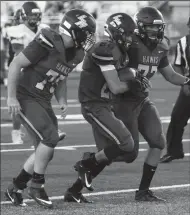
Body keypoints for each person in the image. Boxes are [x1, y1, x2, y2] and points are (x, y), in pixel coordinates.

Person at [5, 9, 96, 208]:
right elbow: (15, 64)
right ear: (74, 31)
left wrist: (62, 99)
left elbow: (61, 77)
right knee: (50, 138)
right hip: (26, 96)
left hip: (43, 99)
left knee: (45, 149)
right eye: (87, 32)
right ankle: (37, 185)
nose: (90, 37)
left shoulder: (78, 53)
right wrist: (11, 97)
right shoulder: (47, 40)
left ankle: (15, 187)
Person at [112, 7, 190, 202]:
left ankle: (143, 191)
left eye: (158, 28)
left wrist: (188, 82)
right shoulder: (130, 44)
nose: (157, 32)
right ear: (139, 28)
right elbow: (115, 70)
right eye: (151, 28)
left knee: (158, 142)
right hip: (124, 100)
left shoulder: (161, 47)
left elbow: (171, 75)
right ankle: (89, 163)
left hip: (143, 100)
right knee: (128, 152)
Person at [64, 13, 142, 203]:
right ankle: (86, 163)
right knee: (126, 143)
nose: (130, 39)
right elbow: (116, 87)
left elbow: (120, 79)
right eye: (128, 34)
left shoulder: (120, 51)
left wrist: (133, 76)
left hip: (105, 105)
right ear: (116, 33)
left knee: (107, 153)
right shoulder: (105, 48)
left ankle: (73, 191)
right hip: (94, 105)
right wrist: (134, 83)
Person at [4, 2, 67, 145]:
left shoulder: (44, 28)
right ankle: (16, 131)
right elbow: (18, 52)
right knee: (17, 103)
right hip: (20, 69)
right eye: (32, 14)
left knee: (43, 97)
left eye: (37, 14)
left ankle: (49, 128)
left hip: (38, 70)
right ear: (24, 15)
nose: (35, 17)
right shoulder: (16, 30)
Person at [160, 17, 190, 163]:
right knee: (177, 118)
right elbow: (178, 64)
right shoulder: (183, 42)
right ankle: (174, 151)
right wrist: (184, 84)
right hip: (189, 84)